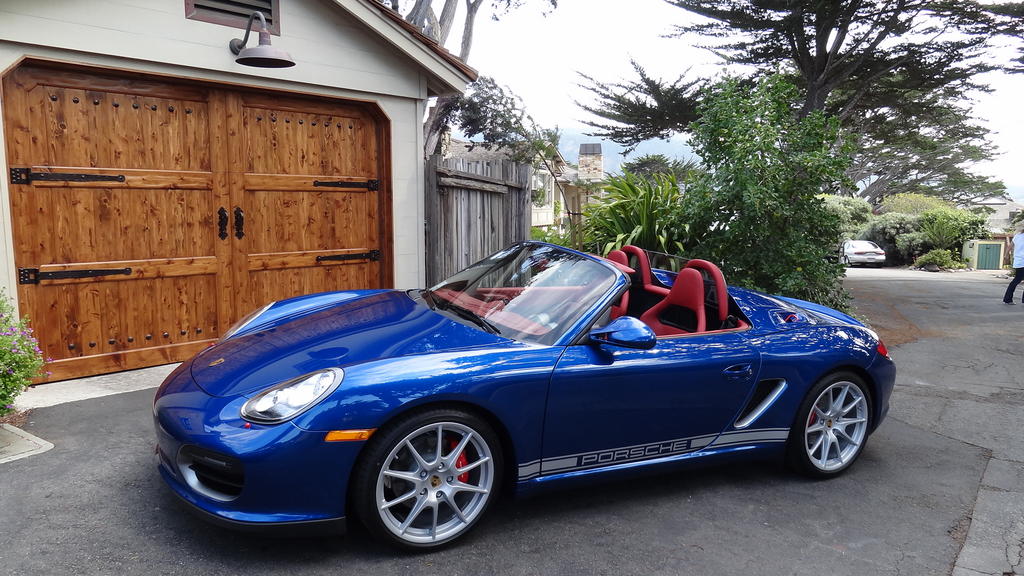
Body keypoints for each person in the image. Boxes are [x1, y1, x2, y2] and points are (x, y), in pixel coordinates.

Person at [1004, 225, 1024, 304]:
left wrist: (1005, 255)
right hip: (1022, 261)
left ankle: (1008, 299)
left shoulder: (1017, 236)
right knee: (1017, 280)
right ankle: (1008, 299)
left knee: (1016, 280)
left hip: (1018, 261)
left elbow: (1009, 247)